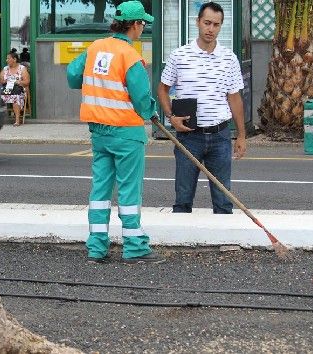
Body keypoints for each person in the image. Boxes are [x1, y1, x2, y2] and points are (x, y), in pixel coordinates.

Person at [66, 1, 164, 264]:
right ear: (133, 25)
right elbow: (142, 98)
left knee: (100, 190)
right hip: (126, 133)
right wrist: (150, 112)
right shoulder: (130, 56)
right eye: (142, 23)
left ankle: (96, 248)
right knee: (129, 191)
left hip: (99, 133)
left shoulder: (96, 47)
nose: (143, 27)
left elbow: (73, 75)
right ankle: (134, 247)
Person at [157, 1, 246, 214]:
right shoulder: (180, 55)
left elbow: (235, 98)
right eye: (207, 23)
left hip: (220, 136)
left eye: (216, 24)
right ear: (197, 22)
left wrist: (241, 135)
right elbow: (162, 89)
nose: (211, 29)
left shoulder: (229, 58)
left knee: (224, 200)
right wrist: (170, 117)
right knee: (183, 197)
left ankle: (226, 243)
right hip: (189, 136)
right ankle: (180, 244)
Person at [0, 50, 30, 126]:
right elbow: (0, 80)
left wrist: (19, 82)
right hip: (7, 88)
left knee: (16, 96)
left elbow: (27, 82)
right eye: (7, 58)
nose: (7, 60)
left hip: (18, 88)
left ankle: (17, 120)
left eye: (8, 58)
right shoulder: (5, 69)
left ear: (14, 59)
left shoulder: (22, 68)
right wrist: (4, 81)